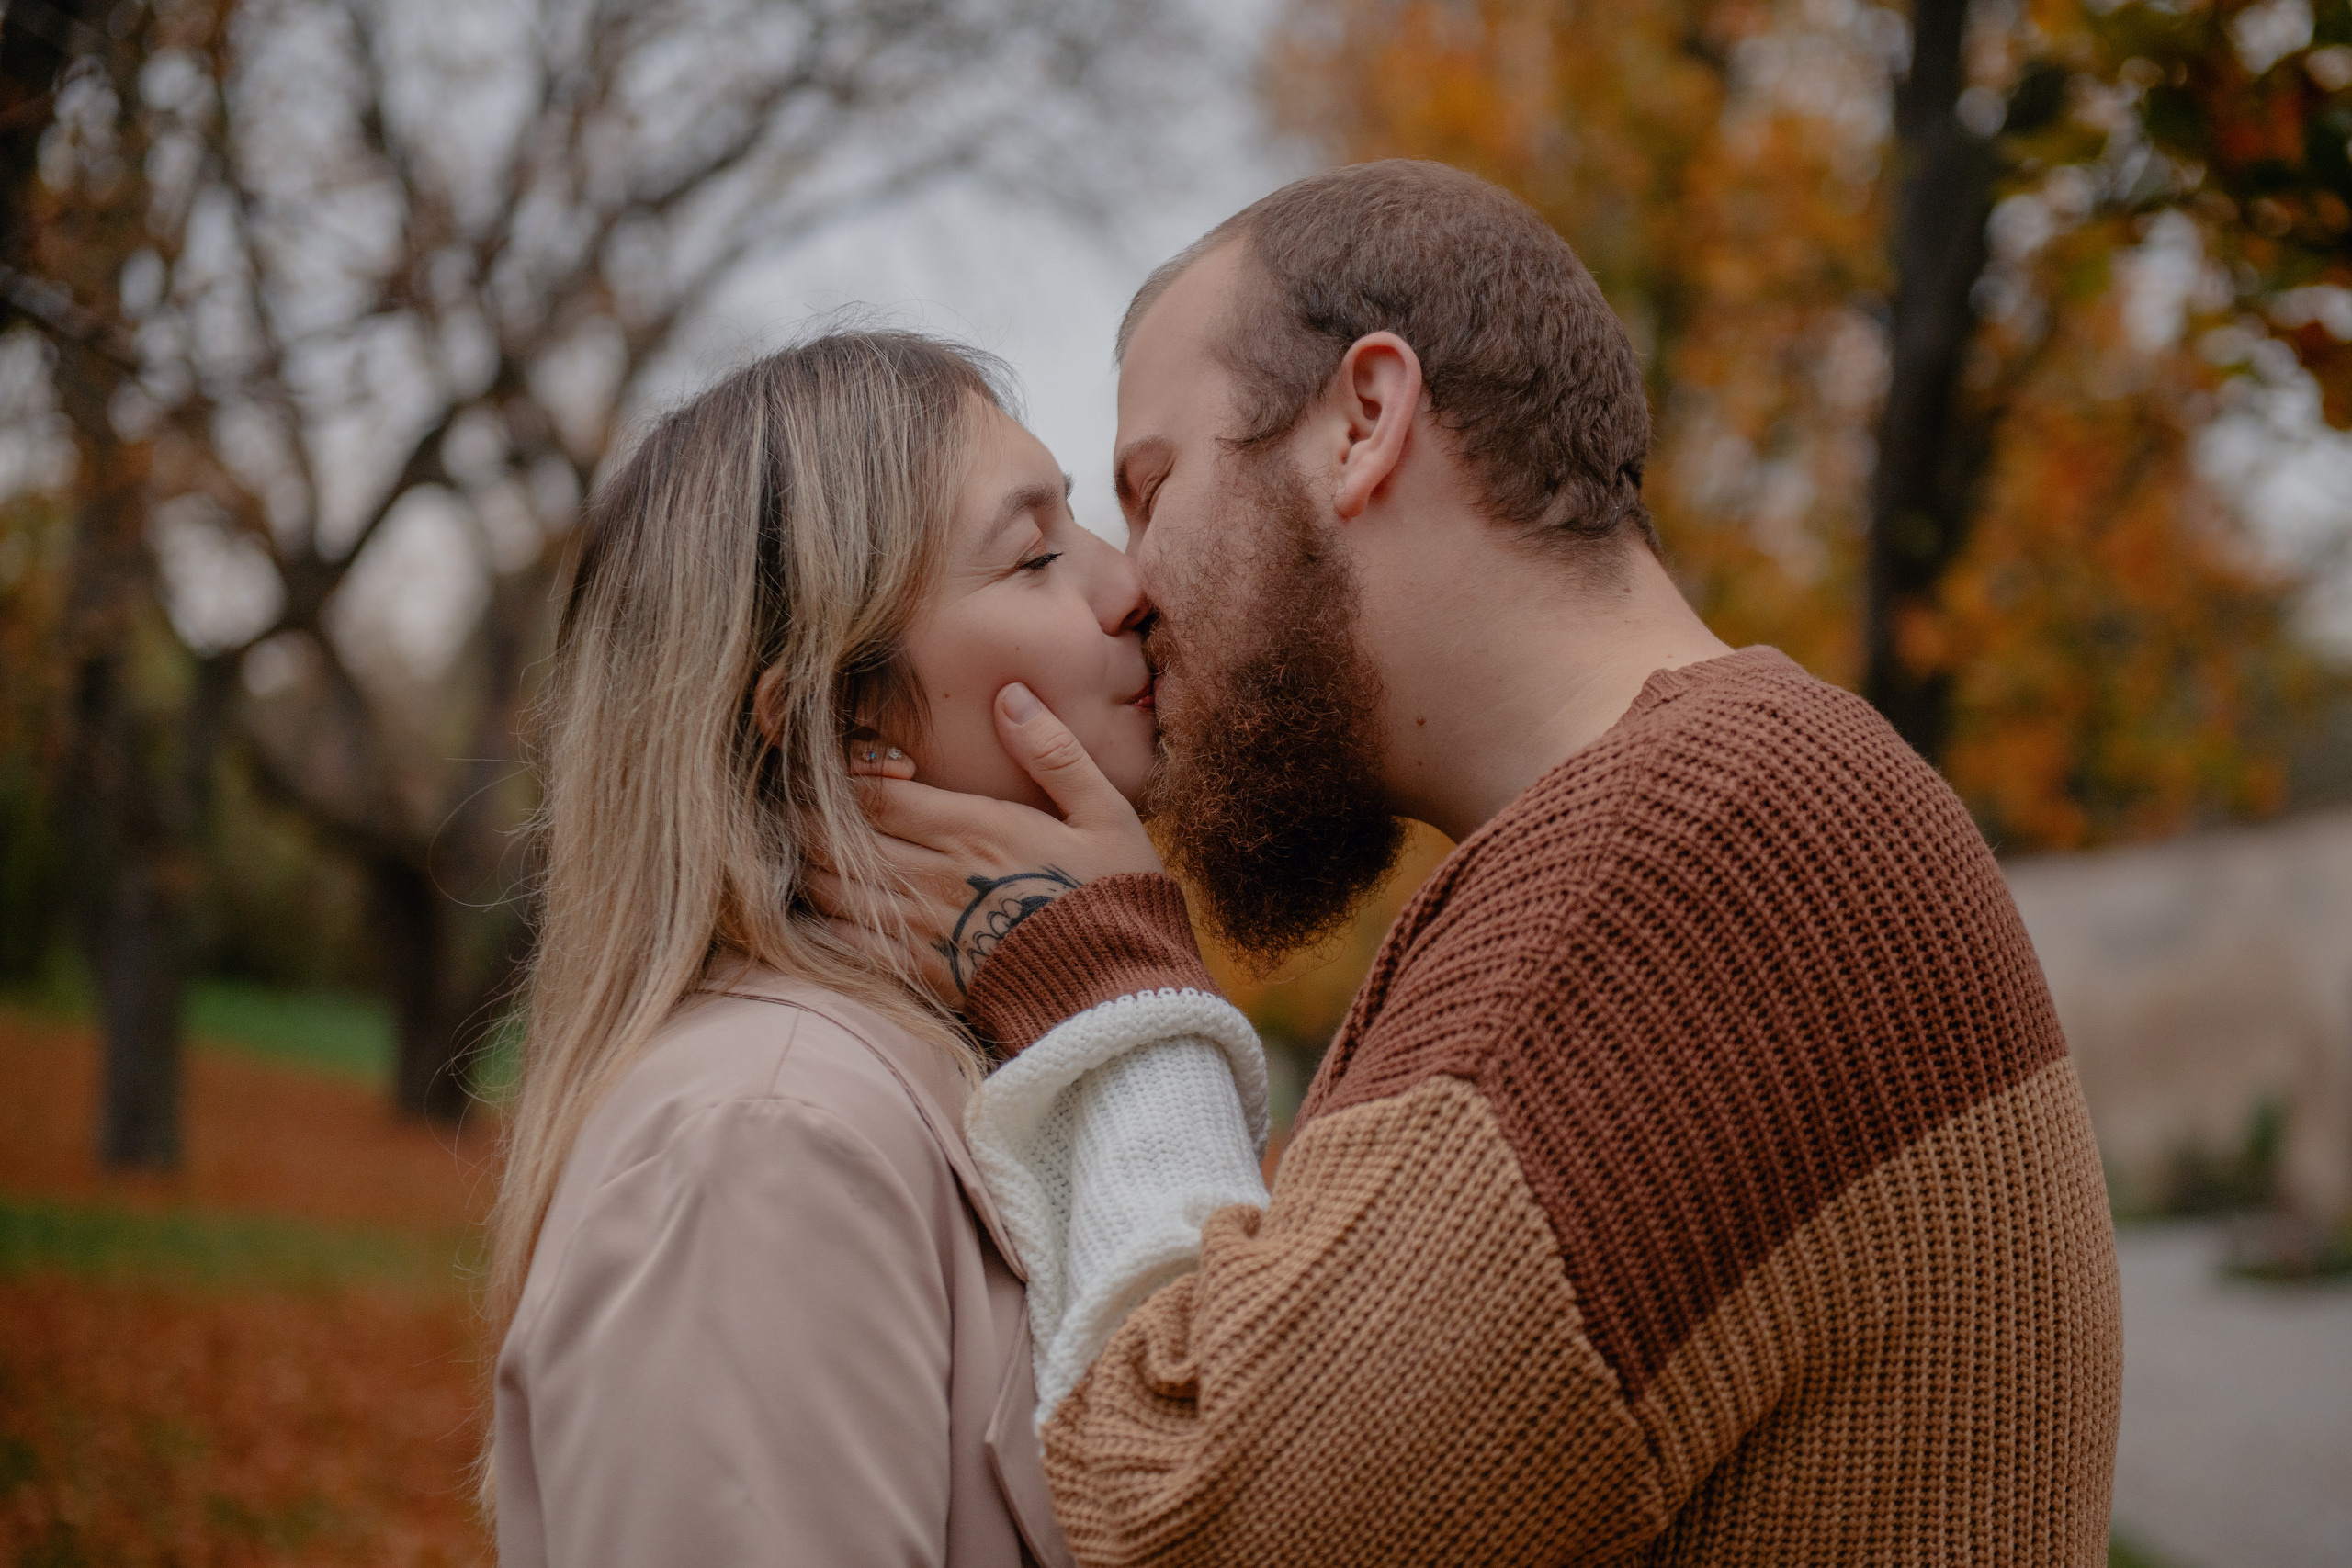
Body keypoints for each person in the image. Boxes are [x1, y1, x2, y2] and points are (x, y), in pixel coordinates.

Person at [824, 161, 2126, 1565]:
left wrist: (1110, 1000)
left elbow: (1184, 1519)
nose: (1129, 588)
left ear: (1365, 423)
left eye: (1152, 487)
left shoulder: (1701, 854)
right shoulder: (1714, 815)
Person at [481, 332, 1270, 1568]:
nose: (1130, 588)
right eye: (1038, 555)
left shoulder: (961, 1082)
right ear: (843, 731)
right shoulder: (768, 1137)